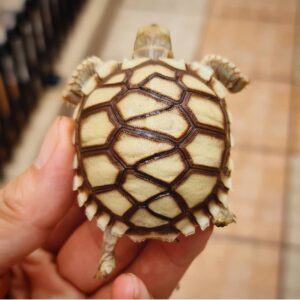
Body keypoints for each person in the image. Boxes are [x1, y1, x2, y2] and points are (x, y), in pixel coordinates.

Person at [0, 117, 212, 299]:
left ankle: (109, 254)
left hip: (123, 193)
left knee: (110, 220)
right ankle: (111, 253)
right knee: (115, 224)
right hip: (176, 196)